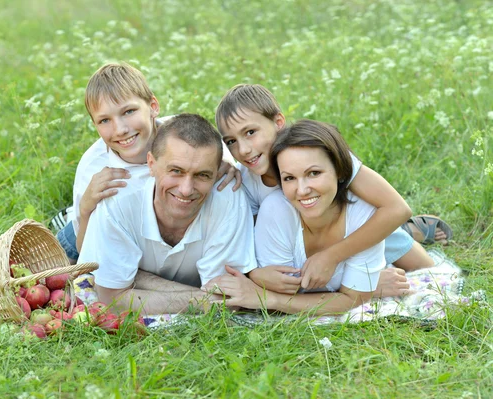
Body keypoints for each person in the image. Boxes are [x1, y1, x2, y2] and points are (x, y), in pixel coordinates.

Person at [214, 84, 449, 295]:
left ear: (278, 122)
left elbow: (396, 208)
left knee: (430, 275)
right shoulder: (244, 180)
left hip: (357, 230)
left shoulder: (318, 153)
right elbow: (253, 243)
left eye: (250, 132)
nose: (243, 150)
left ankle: (409, 231)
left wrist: (332, 258)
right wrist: (255, 273)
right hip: (304, 241)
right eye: (231, 142)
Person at [205, 120, 436, 314]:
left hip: (367, 228)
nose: (302, 189)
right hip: (303, 227)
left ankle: (408, 230)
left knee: (427, 269)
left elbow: (354, 298)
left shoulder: (362, 208)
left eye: (313, 173)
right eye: (289, 178)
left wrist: (358, 285)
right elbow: (278, 291)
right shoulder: (265, 199)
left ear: (340, 171)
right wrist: (255, 276)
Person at [55, 62, 240, 264]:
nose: (120, 130)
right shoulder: (94, 167)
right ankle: (66, 216)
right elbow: (88, 255)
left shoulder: (181, 135)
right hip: (82, 236)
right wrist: (85, 209)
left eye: (128, 112)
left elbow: (212, 154)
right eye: (104, 120)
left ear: (153, 107)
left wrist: (227, 164)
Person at [77, 114, 257, 314]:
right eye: (176, 171)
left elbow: (224, 302)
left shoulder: (228, 197)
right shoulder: (117, 201)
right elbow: (111, 299)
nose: (186, 189)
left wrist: (134, 278)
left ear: (217, 173)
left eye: (202, 175)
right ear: (151, 164)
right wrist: (200, 299)